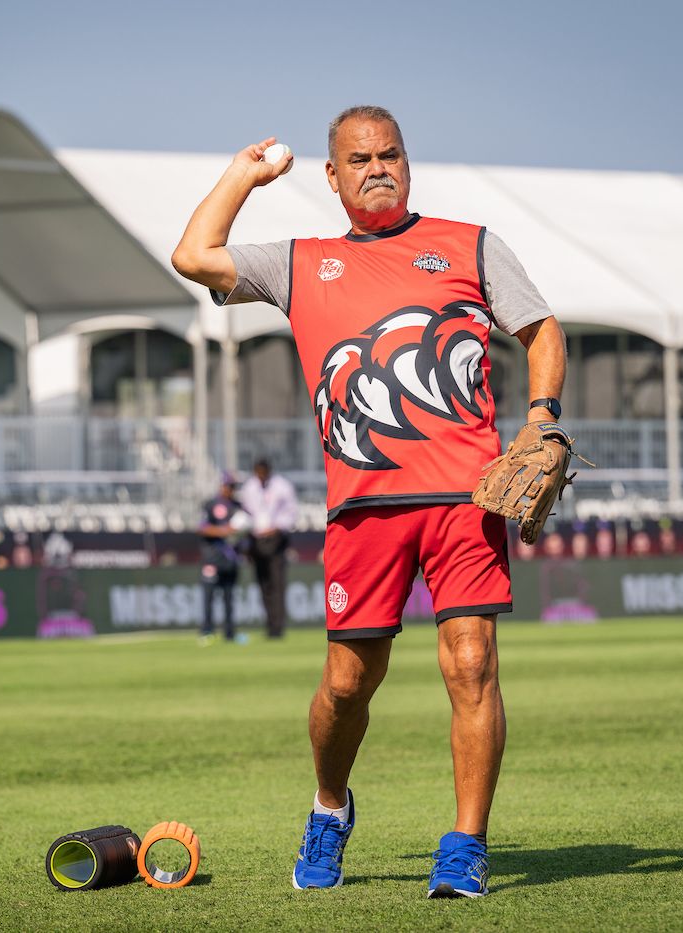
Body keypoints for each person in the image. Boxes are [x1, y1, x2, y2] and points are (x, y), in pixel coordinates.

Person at [172, 105, 568, 898]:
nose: (378, 167)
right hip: (363, 510)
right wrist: (244, 175)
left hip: (465, 501)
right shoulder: (300, 262)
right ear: (333, 175)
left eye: (391, 154)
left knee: (472, 665)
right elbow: (193, 254)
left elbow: (542, 329)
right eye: (359, 159)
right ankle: (329, 807)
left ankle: (465, 844)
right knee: (348, 684)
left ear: (408, 162)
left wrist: (541, 415)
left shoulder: (471, 244)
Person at [239, 459, 298, 638]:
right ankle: (269, 624)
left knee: (277, 584)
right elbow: (245, 512)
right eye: (258, 474)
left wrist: (276, 528)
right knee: (263, 584)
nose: (261, 477)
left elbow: (291, 512)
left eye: (263, 473)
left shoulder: (282, 486)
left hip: (276, 538)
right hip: (256, 539)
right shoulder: (249, 487)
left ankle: (278, 626)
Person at [198, 471, 247, 643]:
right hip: (212, 558)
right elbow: (203, 528)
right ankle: (206, 631)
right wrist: (225, 531)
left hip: (231, 559)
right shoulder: (211, 504)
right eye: (228, 486)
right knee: (209, 597)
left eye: (233, 486)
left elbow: (245, 529)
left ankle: (230, 633)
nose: (230, 490)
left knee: (229, 598)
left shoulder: (238, 506)